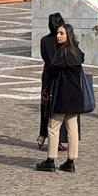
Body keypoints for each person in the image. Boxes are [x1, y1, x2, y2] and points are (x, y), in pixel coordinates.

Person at [36, 24, 85, 173]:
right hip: (75, 96)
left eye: (61, 33)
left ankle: (50, 159)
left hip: (61, 95)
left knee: (53, 128)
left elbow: (51, 71)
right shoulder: (77, 53)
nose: (58, 36)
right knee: (72, 128)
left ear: (68, 35)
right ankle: (71, 161)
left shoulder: (61, 54)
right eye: (58, 33)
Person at [37, 13, 72, 152]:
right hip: (58, 77)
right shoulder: (62, 40)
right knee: (58, 109)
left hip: (47, 76)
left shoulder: (44, 40)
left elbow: (45, 58)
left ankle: (42, 135)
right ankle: (55, 139)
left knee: (45, 107)